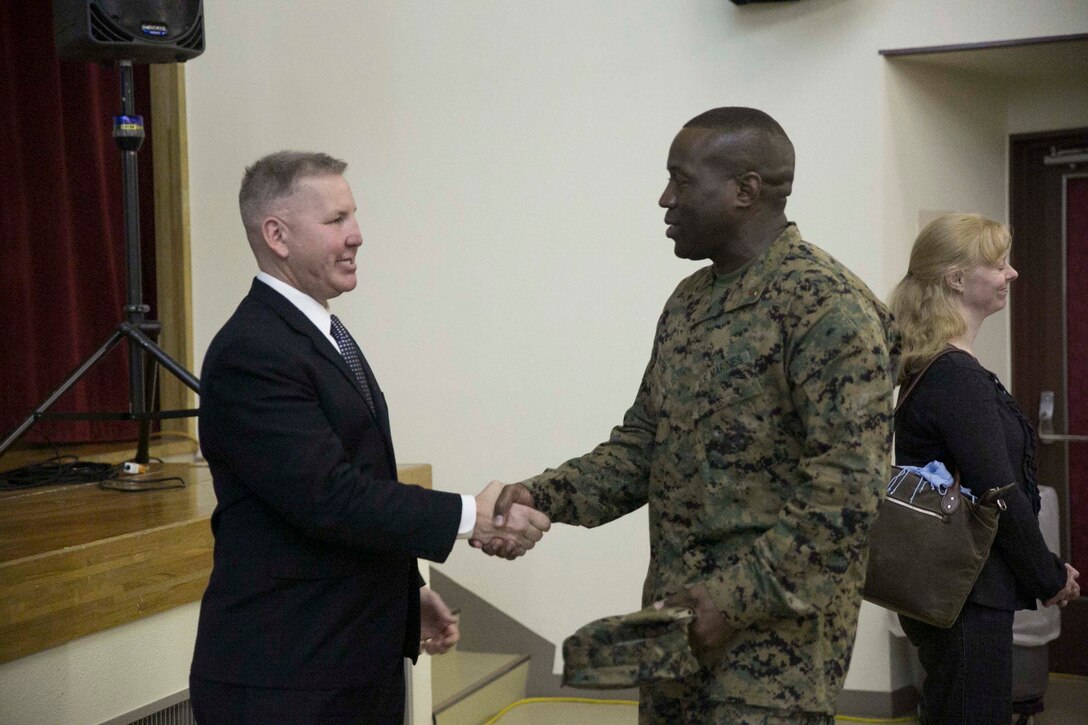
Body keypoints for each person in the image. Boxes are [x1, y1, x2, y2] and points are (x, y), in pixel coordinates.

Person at [482, 107, 901, 723]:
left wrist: (730, 601)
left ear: (745, 191)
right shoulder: (690, 303)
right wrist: (540, 495)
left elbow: (847, 493)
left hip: (773, 659)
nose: (664, 199)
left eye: (681, 181)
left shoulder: (827, 307)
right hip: (677, 637)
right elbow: (642, 446)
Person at [189, 151, 550, 724]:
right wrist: (470, 515)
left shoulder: (317, 330)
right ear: (277, 235)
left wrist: (405, 597)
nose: (357, 236)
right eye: (336, 221)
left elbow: (355, 484)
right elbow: (329, 496)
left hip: (346, 661)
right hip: (286, 681)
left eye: (353, 216)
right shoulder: (253, 351)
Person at [889, 213, 1080, 724]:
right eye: (998, 264)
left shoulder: (933, 366)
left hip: (952, 590)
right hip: (967, 594)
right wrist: (1047, 574)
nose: (1011, 273)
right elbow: (1000, 492)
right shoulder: (955, 377)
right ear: (956, 279)